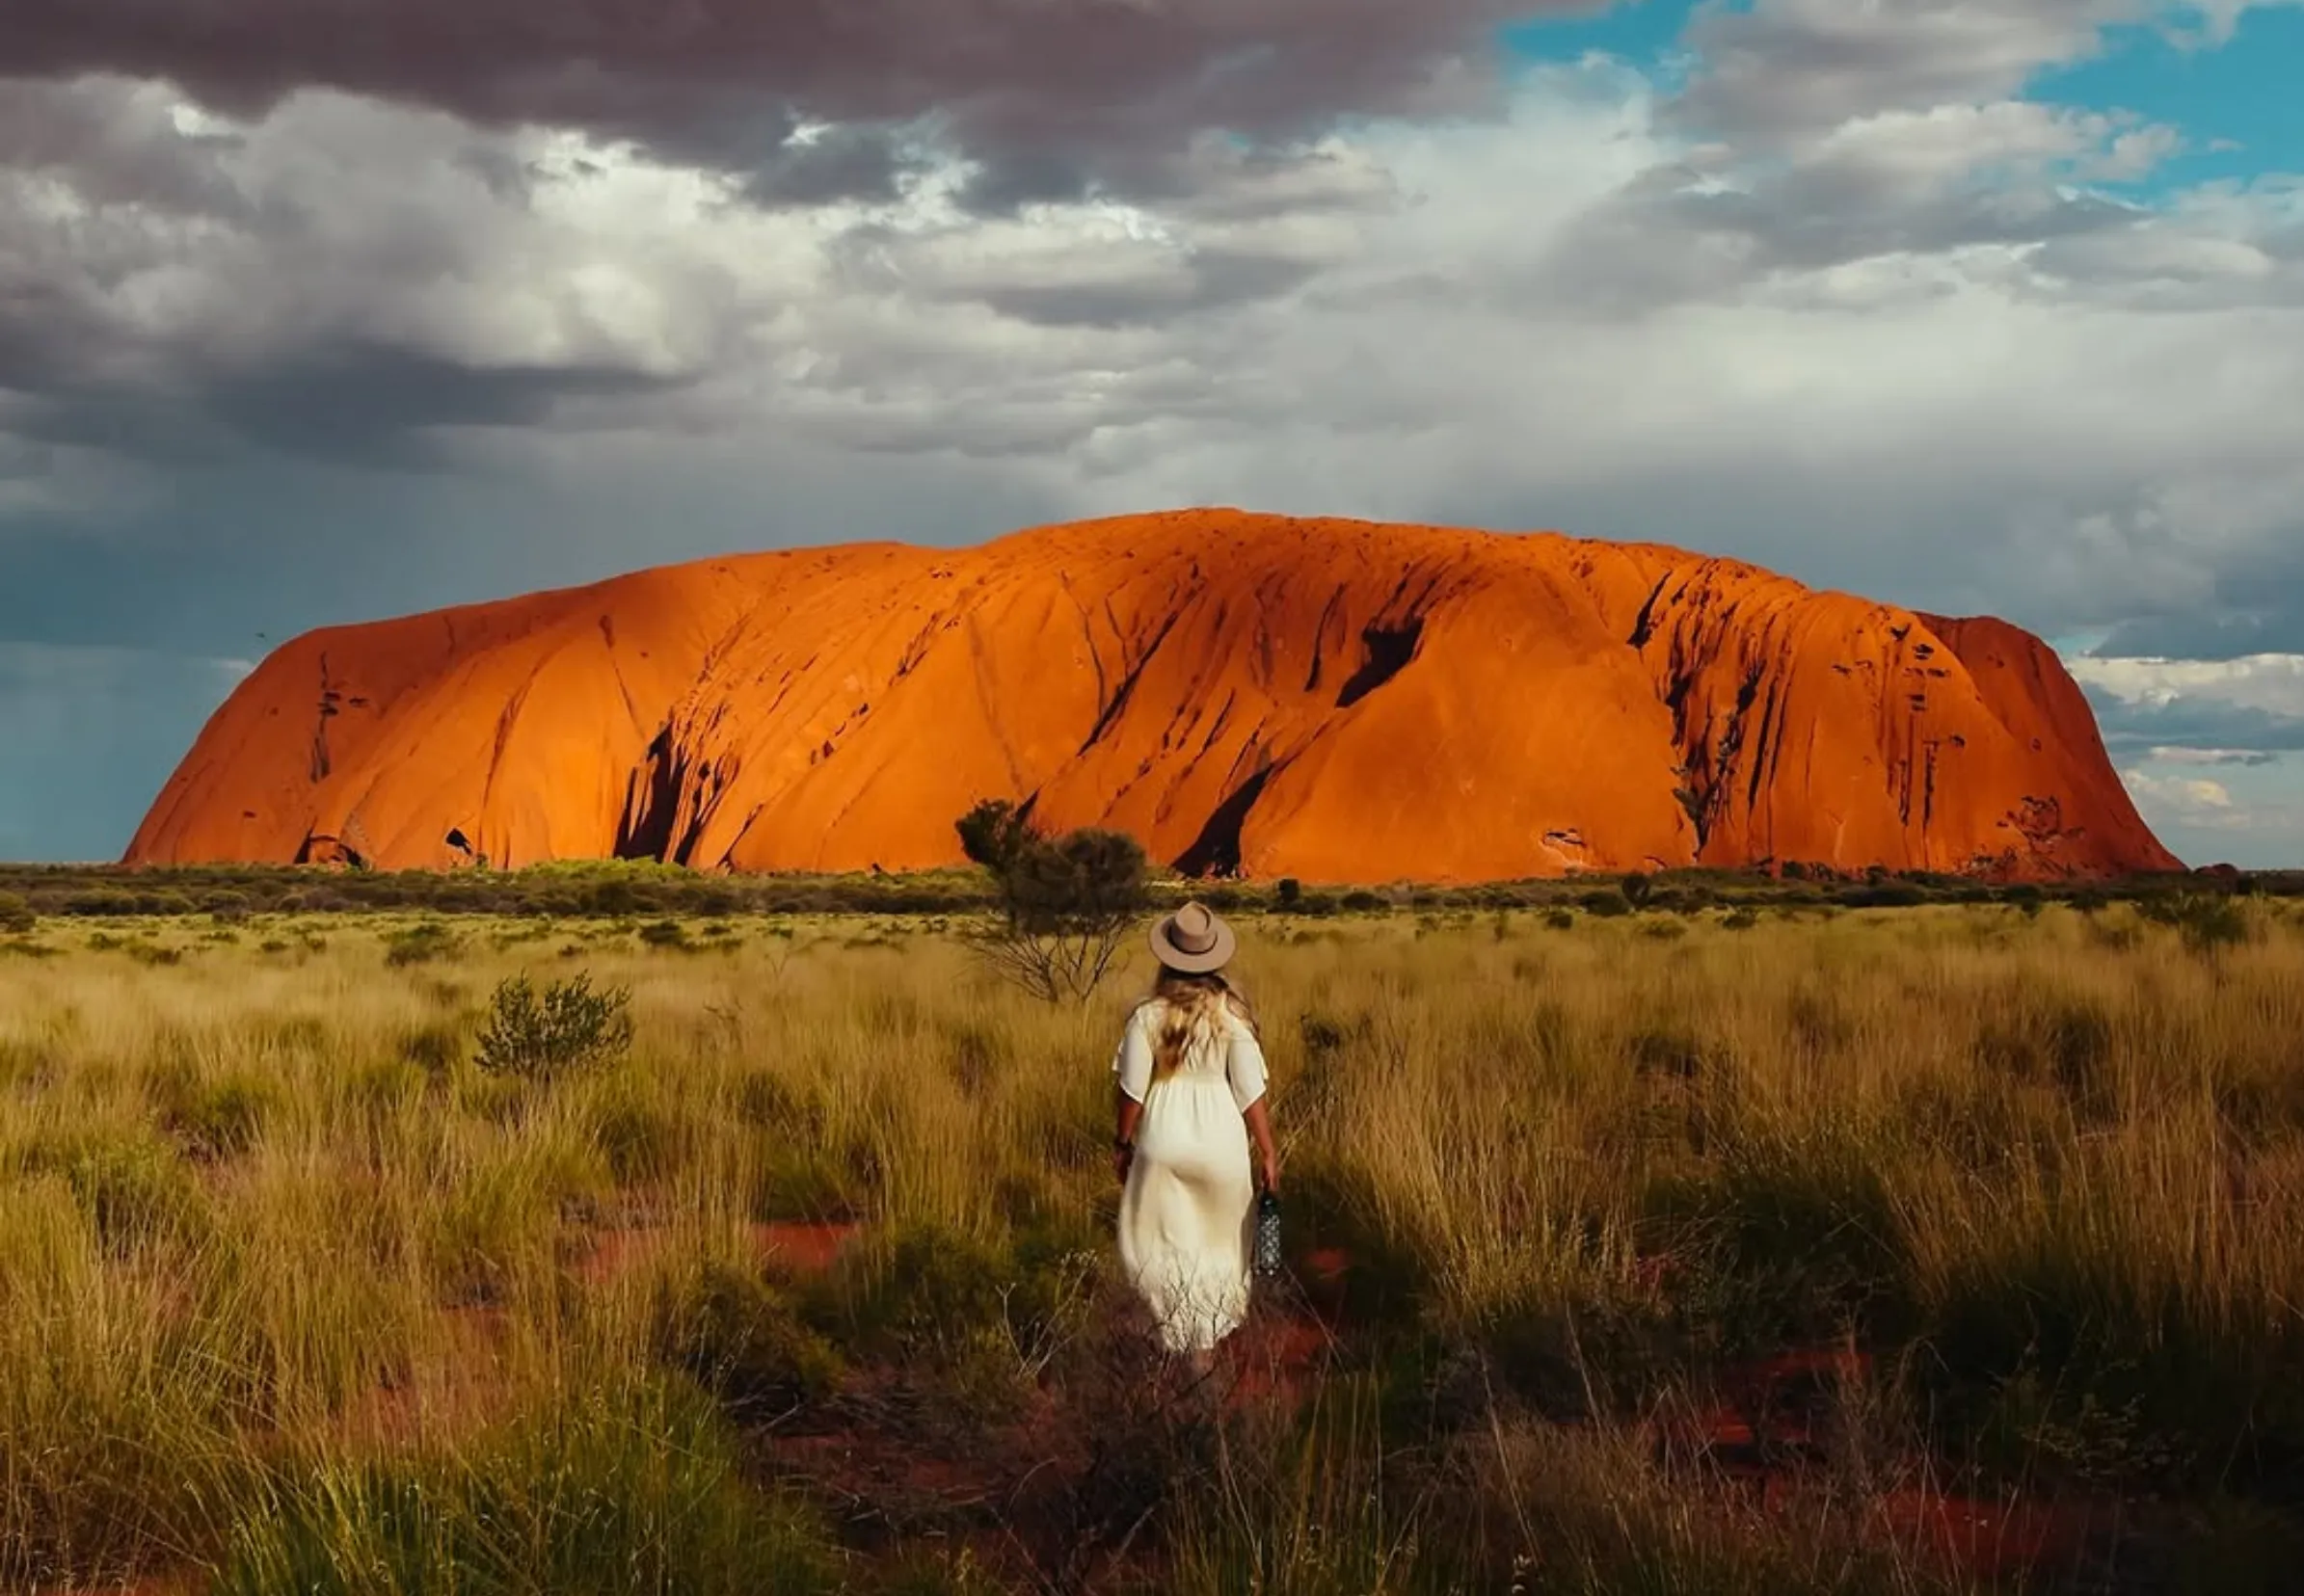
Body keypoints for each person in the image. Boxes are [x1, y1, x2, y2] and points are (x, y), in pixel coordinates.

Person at [1111, 901, 1279, 1368]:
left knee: (1162, 1244)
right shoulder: (1233, 1015)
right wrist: (1267, 1151)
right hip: (1221, 1145)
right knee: (1218, 1244)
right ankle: (1201, 1355)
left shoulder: (1146, 1016)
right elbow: (1250, 1092)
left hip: (1162, 1141)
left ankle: (1173, 1352)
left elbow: (1131, 1092)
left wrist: (1122, 1143)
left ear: (1168, 956)